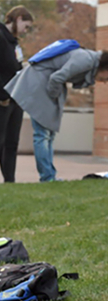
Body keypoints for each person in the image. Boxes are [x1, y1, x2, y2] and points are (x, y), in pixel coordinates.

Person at [5, 49, 108, 182]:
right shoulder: (86, 60)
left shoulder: (88, 59)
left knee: (47, 135)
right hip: (41, 84)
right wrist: (53, 98)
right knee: (42, 135)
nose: (105, 81)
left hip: (44, 83)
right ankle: (47, 177)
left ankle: (49, 175)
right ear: (106, 67)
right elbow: (57, 78)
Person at [0, 5, 33, 183]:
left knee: (12, 143)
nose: (25, 31)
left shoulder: (14, 43)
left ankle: (9, 181)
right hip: (3, 99)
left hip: (15, 99)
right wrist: (2, 96)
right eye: (25, 26)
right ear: (18, 19)